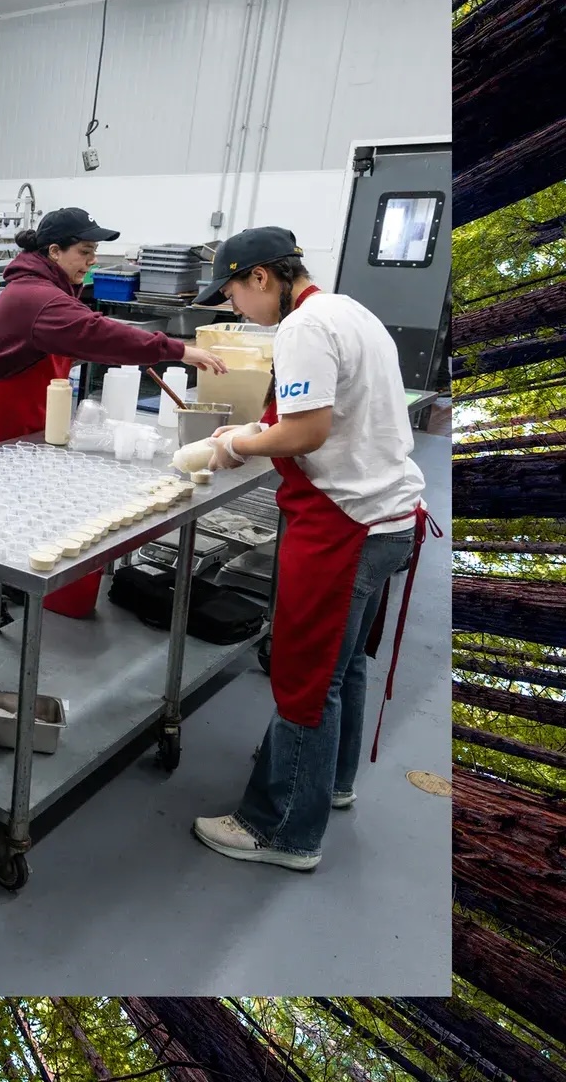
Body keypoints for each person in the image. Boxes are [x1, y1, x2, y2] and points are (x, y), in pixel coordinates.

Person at [188, 226, 438, 872]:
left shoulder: (301, 329)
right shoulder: (348, 310)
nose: (236, 309)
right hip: (389, 517)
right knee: (345, 666)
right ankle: (330, 782)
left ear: (262, 279)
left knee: (305, 679)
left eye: (235, 296)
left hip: (343, 526)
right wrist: (255, 427)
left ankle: (282, 829)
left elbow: (308, 431)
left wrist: (236, 445)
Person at [0, 207, 228, 631]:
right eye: (85, 251)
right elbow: (97, 334)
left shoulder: (48, 287)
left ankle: (14, 579)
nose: (92, 260)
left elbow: (89, 327)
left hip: (31, 406)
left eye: (94, 251)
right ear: (55, 250)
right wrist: (177, 350)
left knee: (21, 500)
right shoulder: (35, 296)